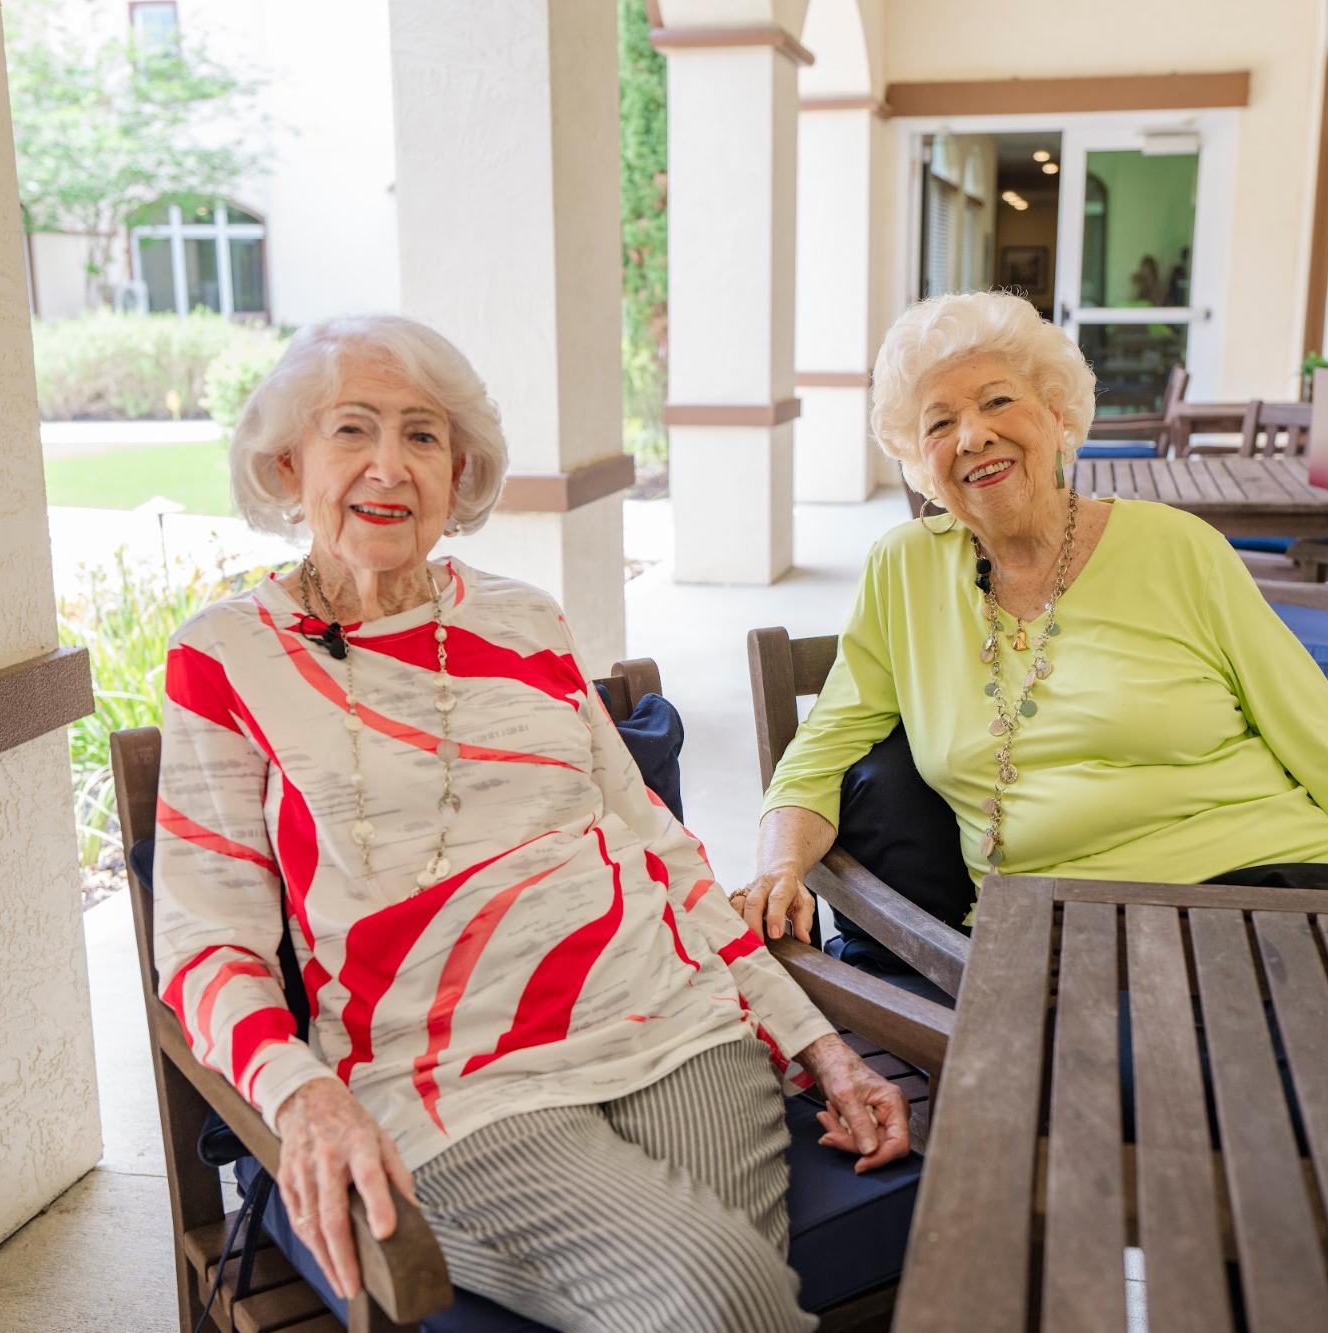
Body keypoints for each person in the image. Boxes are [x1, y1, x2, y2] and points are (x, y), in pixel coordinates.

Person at [153, 315, 908, 1333]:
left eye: (422, 434)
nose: (389, 464)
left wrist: (819, 1047)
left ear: (459, 467)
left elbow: (660, 848)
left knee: (718, 1298)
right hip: (449, 1085)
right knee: (726, 1293)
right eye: (352, 430)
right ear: (288, 461)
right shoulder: (227, 656)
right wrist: (302, 1098)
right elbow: (206, 943)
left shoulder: (524, 620)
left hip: (677, 1022)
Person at [735, 291, 1328, 946]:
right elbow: (824, 748)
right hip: (1066, 930)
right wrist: (779, 866)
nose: (971, 434)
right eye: (938, 423)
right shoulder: (903, 570)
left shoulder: (1177, 549)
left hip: (1278, 887)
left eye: (996, 401)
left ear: (1055, 417)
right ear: (921, 462)